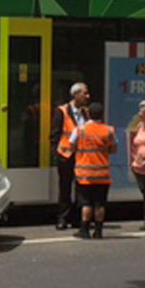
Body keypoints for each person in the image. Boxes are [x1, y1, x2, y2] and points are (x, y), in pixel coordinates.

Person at [70, 102, 117, 239]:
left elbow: (72, 146)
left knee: (86, 203)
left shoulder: (80, 130)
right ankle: (98, 231)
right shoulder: (109, 130)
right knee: (100, 204)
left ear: (88, 114)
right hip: (102, 174)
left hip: (84, 174)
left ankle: (84, 230)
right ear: (101, 115)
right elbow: (113, 149)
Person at [50, 82, 90, 230]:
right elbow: (55, 135)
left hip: (82, 156)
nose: (88, 96)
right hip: (66, 156)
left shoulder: (86, 112)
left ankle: (77, 219)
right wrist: (57, 155)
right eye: (85, 93)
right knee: (65, 188)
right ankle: (62, 218)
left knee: (81, 189)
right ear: (75, 95)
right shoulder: (62, 111)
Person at [130, 100, 145, 231]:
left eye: (142, 111)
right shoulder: (140, 126)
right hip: (140, 168)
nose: (139, 113)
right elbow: (135, 144)